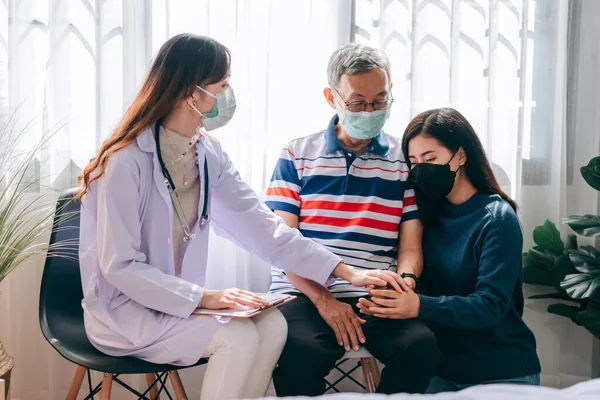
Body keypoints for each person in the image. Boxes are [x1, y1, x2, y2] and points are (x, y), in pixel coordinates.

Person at [77, 34, 404, 400]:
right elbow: (119, 266)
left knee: (272, 324)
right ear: (191, 93)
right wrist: (205, 297)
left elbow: (266, 230)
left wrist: (346, 271)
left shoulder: (206, 153)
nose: (228, 96)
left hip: (178, 305)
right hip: (127, 312)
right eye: (223, 86)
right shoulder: (125, 161)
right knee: (236, 336)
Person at [265, 43, 439, 396]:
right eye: (358, 102)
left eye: (380, 101)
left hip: (374, 293)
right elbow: (281, 244)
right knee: (304, 351)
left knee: (420, 345)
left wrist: (402, 285)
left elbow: (410, 246)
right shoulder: (297, 154)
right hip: (304, 291)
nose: (370, 111)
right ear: (332, 98)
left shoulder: (403, 161)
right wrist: (324, 301)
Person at [358, 108, 541, 393]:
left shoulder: (497, 218)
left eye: (430, 159)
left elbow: (490, 305)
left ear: (460, 155)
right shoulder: (426, 217)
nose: (421, 169)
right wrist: (387, 302)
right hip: (440, 371)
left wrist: (418, 305)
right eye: (414, 162)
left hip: (500, 371)